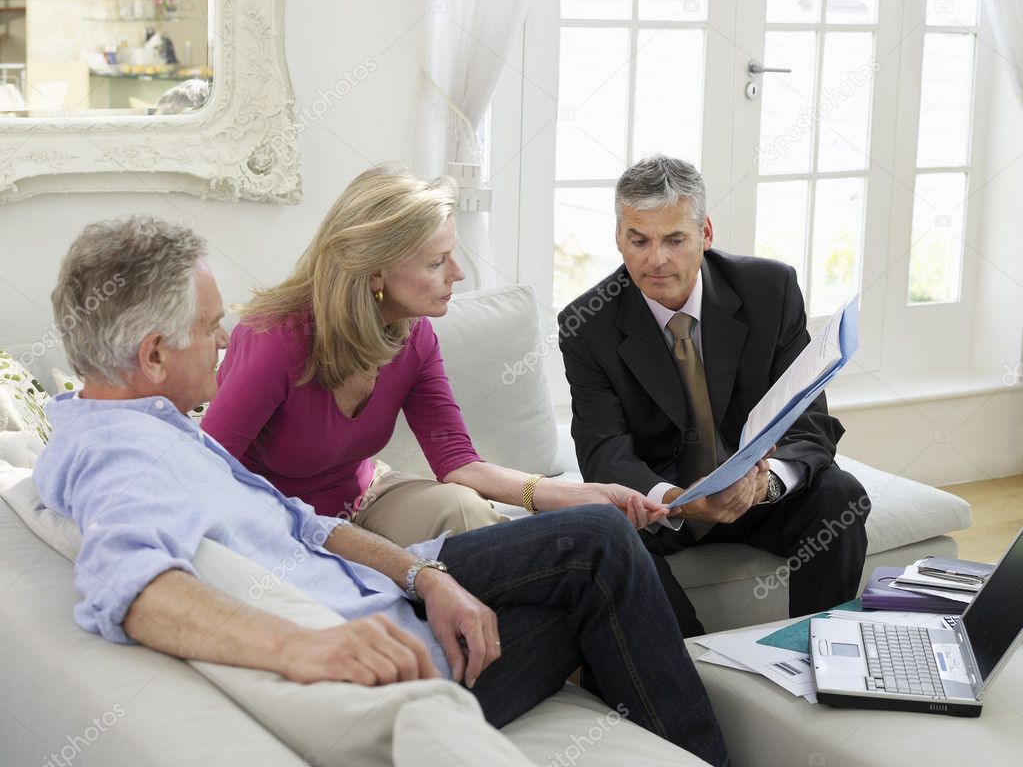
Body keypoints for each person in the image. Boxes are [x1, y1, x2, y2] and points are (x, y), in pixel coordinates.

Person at [34, 215, 727, 766]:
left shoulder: (143, 425)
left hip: (392, 595)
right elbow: (129, 581)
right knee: (602, 561)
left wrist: (425, 574)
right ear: (154, 354)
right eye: (210, 328)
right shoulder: (116, 454)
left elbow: (302, 524)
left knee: (598, 541)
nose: (223, 341)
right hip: (398, 662)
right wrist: (303, 648)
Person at [202, 165, 664, 548]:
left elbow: (458, 463)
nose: (458, 273)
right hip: (278, 518)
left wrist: (578, 494)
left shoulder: (415, 336)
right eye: (436, 261)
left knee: (466, 510)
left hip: (365, 498)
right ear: (375, 269)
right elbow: (202, 467)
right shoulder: (274, 340)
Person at [558, 155, 869, 637]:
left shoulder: (771, 289)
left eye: (675, 239)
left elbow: (810, 420)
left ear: (705, 233)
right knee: (607, 533)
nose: (656, 259)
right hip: (664, 508)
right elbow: (603, 454)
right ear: (619, 239)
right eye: (639, 240)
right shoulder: (586, 325)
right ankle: (696, 672)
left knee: (839, 493)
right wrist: (679, 501)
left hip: (754, 494)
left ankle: (822, 652)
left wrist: (763, 486)